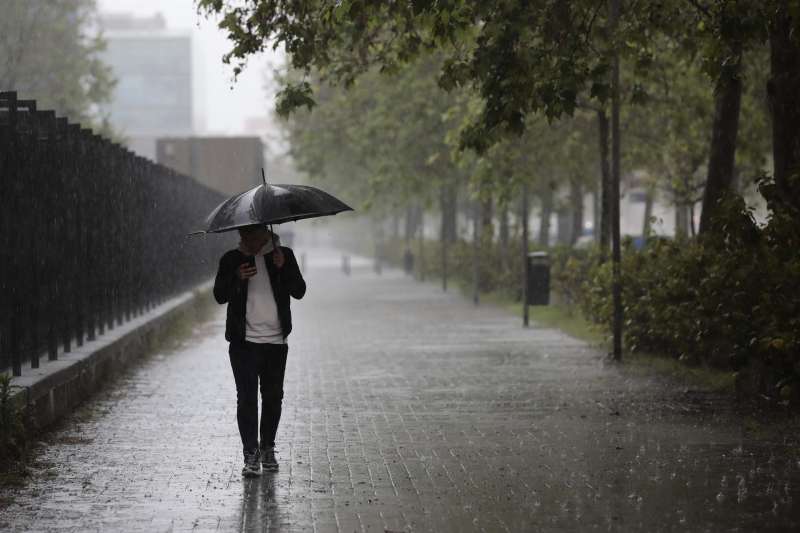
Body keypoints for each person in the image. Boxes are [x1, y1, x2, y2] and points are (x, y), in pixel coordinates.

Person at [213, 224, 306, 477]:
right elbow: (219, 296)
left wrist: (282, 267)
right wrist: (236, 278)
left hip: (276, 341)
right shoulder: (232, 259)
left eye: (253, 235)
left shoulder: (282, 254)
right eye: (244, 236)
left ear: (265, 232)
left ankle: (268, 448)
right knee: (246, 399)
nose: (249, 241)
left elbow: (299, 291)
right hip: (243, 344)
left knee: (274, 397)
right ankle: (250, 454)